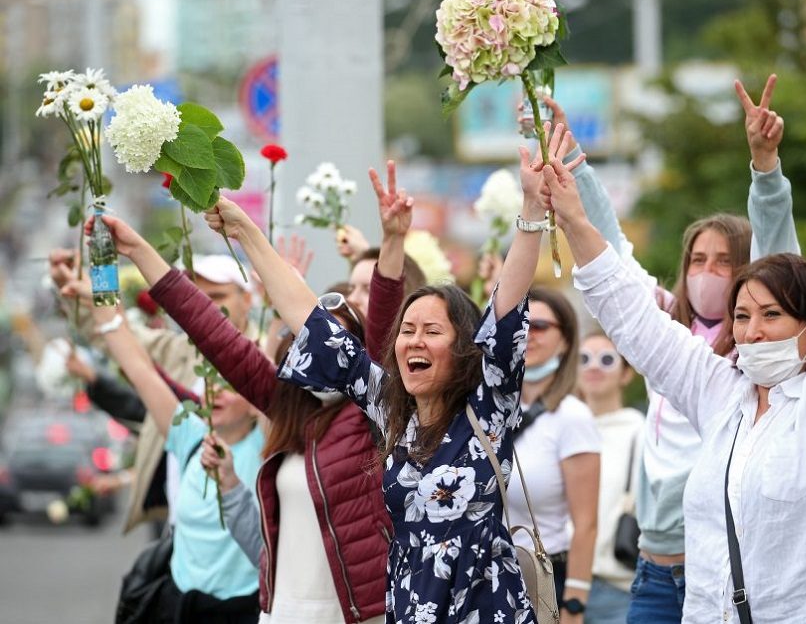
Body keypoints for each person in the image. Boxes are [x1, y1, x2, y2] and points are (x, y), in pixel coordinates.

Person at [543, 73, 806, 623]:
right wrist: (572, 215)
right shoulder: (722, 393)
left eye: (771, 315)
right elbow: (630, 311)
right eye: (741, 317)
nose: (752, 332)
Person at [204, 124, 581, 623]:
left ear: (465, 349)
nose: (414, 342)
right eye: (407, 331)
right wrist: (247, 233)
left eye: (432, 331)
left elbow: (508, 305)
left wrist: (532, 213)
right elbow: (308, 316)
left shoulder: (488, 403)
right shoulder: (388, 407)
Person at [542, 77, 800, 623]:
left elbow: (782, 255)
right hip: (653, 569)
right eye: (697, 260)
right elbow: (610, 251)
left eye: (724, 261)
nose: (708, 273)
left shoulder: (752, 353)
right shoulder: (663, 324)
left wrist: (766, 169)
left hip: (718, 567)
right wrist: (576, 165)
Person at [84, 254, 264, 622]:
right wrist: (102, 271)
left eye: (232, 385)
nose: (218, 393)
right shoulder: (190, 435)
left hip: (245, 611)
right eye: (212, 383)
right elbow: (132, 359)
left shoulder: (271, 445)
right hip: (178, 608)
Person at [509, 286, 601, 623]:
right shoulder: (491, 410)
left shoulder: (573, 417)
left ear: (565, 338)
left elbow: (586, 524)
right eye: (521, 324)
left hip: (544, 580)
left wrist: (574, 606)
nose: (528, 335)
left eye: (541, 327)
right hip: (488, 575)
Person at [576, 330, 644, 624]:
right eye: (584, 359)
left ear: (626, 373)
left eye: (606, 359)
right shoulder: (562, 427)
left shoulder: (639, 431)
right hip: (559, 580)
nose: (593, 367)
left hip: (616, 587)